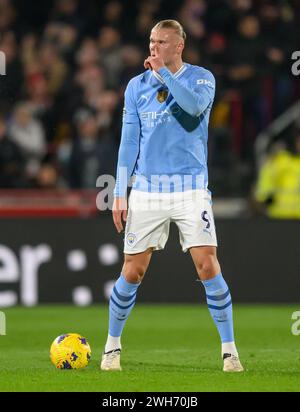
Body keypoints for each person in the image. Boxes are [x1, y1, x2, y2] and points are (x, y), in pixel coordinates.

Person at [101, 20, 244, 373]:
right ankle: (112, 347)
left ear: (179, 46)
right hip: (148, 190)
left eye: (162, 42)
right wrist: (120, 192)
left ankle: (229, 351)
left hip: (190, 189)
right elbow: (129, 142)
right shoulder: (136, 87)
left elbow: (193, 108)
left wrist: (164, 73)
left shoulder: (201, 78)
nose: (154, 48)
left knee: (207, 264)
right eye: (151, 41)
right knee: (132, 271)